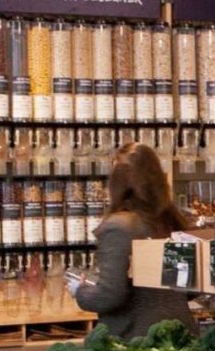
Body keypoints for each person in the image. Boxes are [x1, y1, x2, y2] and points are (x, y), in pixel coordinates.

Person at [70, 143, 195, 339]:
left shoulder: (118, 227)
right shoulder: (173, 222)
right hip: (180, 334)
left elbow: (109, 296)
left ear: (116, 183)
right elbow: (191, 288)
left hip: (137, 339)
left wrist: (80, 290)